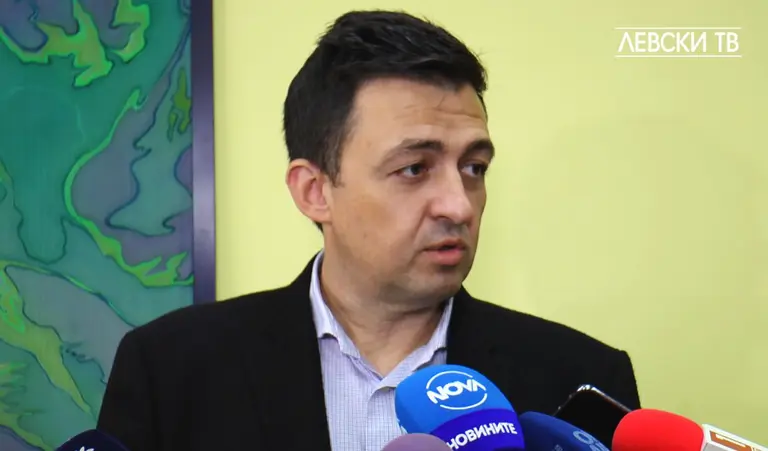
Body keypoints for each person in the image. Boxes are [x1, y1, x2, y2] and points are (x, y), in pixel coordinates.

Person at [97, 9, 641, 451]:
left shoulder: (580, 380)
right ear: (314, 191)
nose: (459, 204)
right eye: (415, 168)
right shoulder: (169, 369)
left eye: (474, 167)